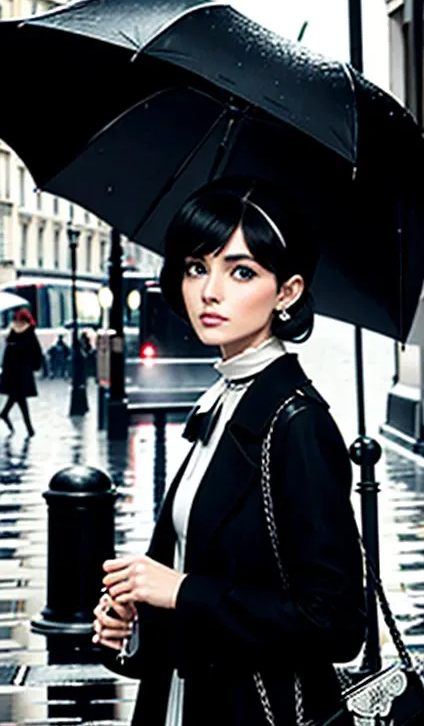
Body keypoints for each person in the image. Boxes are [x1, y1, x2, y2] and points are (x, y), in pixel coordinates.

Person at [93, 177, 366, 726]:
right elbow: (202, 571)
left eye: (241, 271)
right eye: (198, 267)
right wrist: (135, 615)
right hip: (183, 700)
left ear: (286, 291)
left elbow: (335, 623)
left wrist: (183, 592)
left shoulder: (297, 423)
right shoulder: (221, 399)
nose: (210, 291)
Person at [0, 307, 42, 436]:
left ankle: (6, 414)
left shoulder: (13, 333)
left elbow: (7, 353)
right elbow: (36, 351)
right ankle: (29, 428)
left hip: (13, 371)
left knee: (16, 396)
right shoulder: (29, 333)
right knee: (19, 397)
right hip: (22, 371)